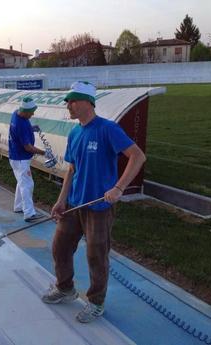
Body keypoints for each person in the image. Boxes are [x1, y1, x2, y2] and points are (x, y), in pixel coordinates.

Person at [41, 81, 146, 323]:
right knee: (60, 247)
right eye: (68, 101)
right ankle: (65, 288)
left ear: (88, 102)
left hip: (99, 207)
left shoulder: (108, 129)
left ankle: (96, 302)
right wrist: (61, 200)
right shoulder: (75, 132)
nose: (68, 105)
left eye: (72, 101)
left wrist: (119, 187)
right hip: (74, 205)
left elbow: (138, 156)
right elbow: (72, 169)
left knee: (96, 256)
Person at [8, 97, 46, 222]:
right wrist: (43, 153)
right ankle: (29, 213)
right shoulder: (21, 124)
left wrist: (31, 128)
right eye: (31, 112)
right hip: (21, 159)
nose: (33, 114)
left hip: (15, 157)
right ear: (24, 111)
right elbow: (28, 147)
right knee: (28, 184)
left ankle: (18, 206)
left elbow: (22, 131)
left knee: (21, 182)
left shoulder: (16, 114)